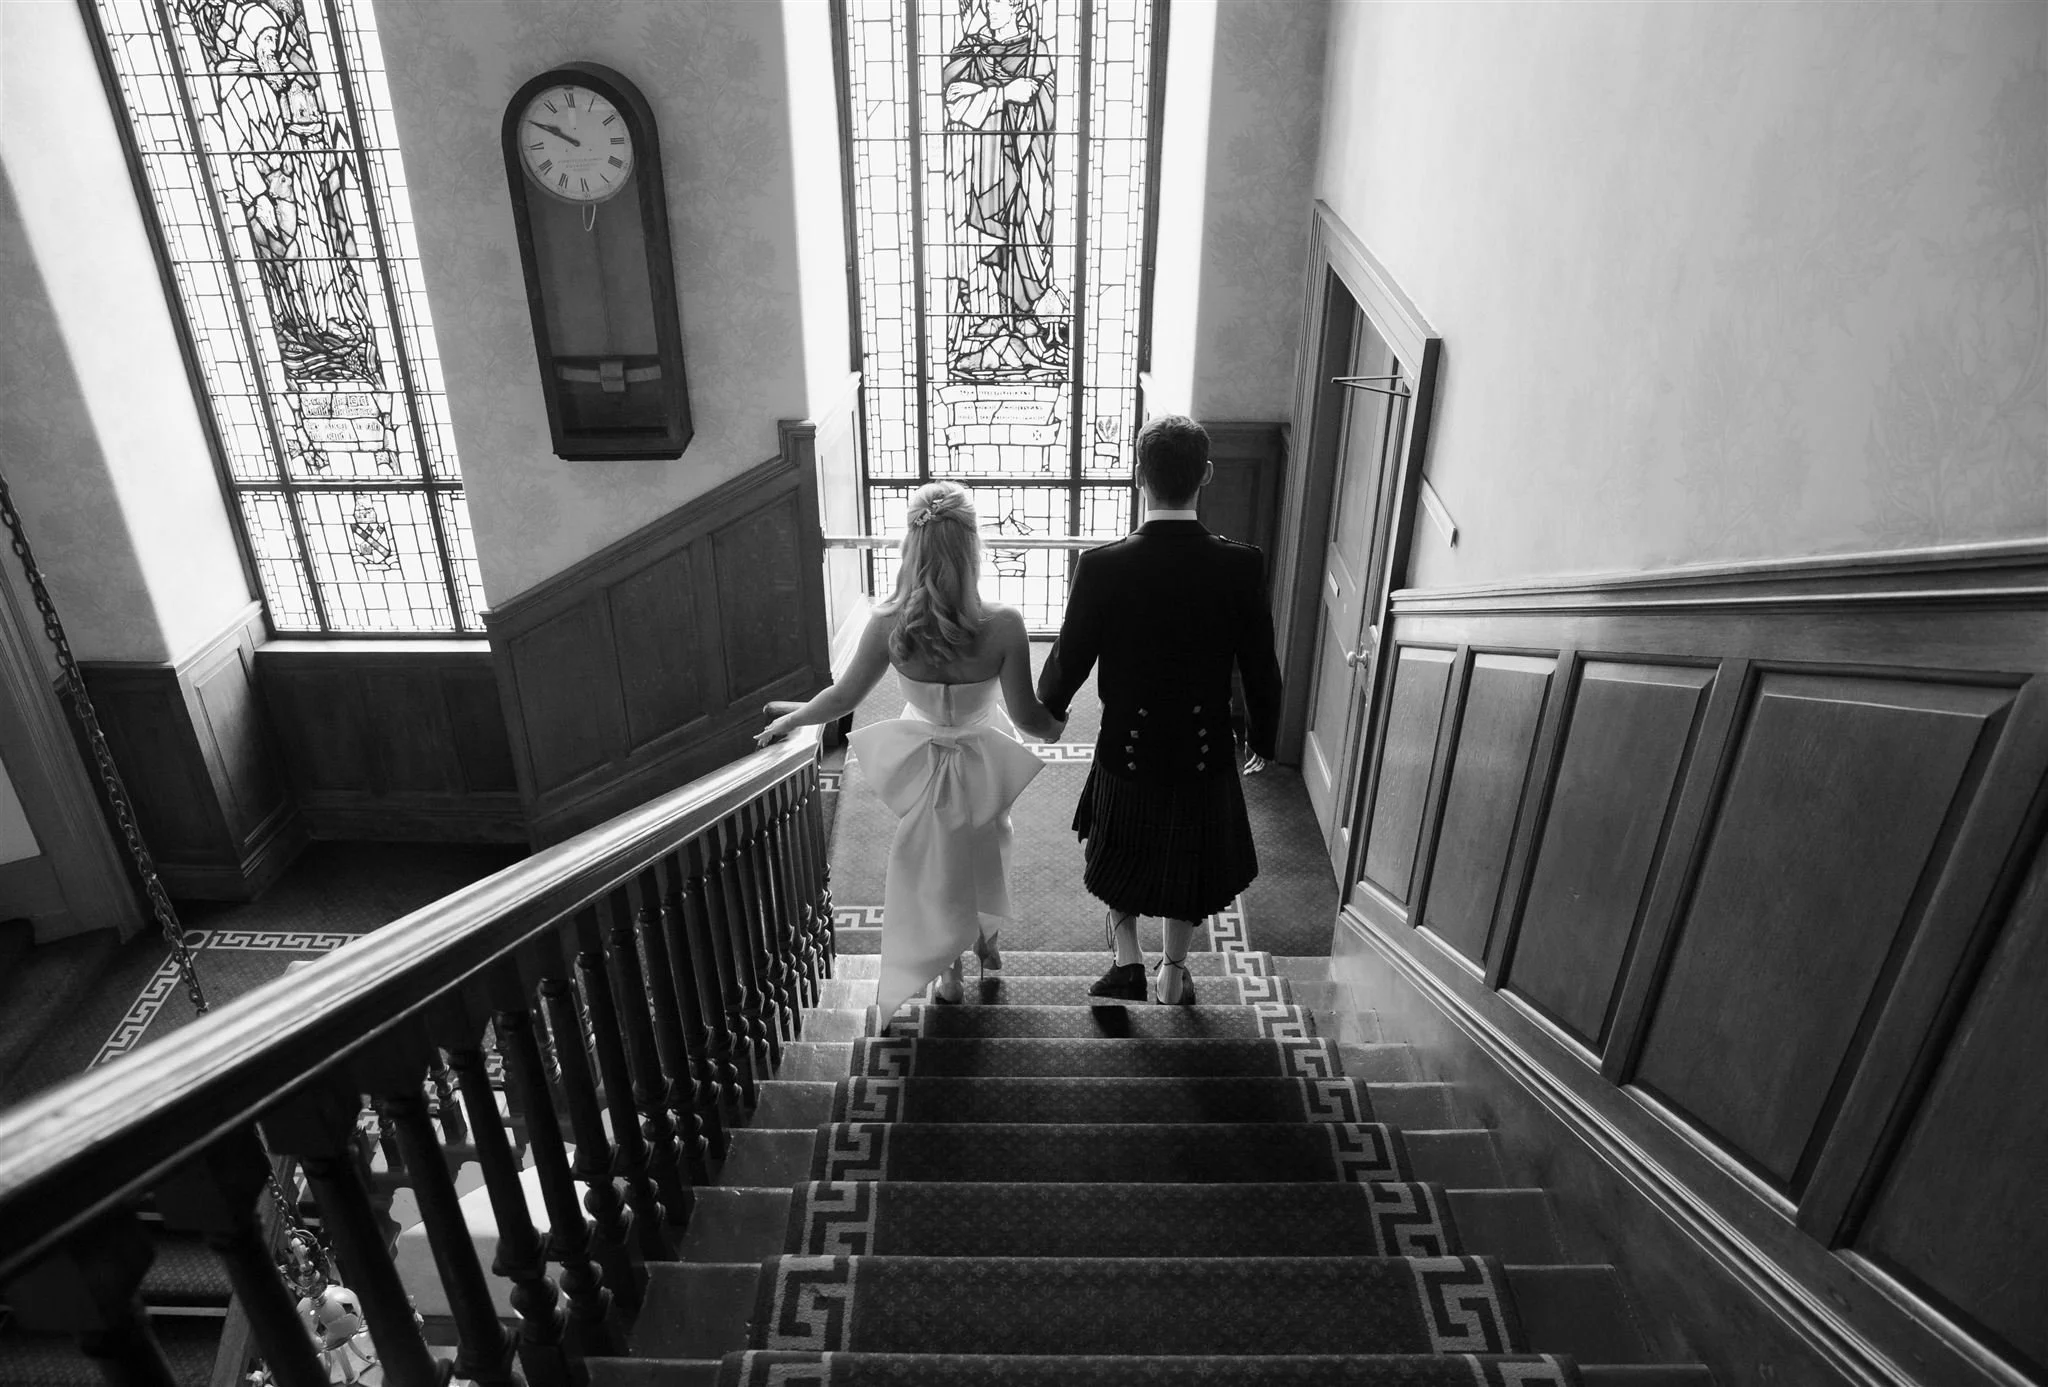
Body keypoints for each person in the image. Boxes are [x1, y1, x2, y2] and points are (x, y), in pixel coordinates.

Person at [759, 482, 1065, 1016]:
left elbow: (843, 697)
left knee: (932, 858)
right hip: (983, 756)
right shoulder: (1003, 624)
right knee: (990, 841)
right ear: (972, 549)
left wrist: (797, 720)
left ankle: (947, 969)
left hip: (917, 756)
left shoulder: (887, 621)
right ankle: (984, 936)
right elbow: (1026, 717)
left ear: (912, 546)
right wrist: (1055, 727)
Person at [1037, 415, 1283, 1005]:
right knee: (1188, 864)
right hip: (1204, 751)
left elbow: (1067, 660)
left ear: (1138, 475)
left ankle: (1127, 960)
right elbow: (1260, 665)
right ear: (1207, 474)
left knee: (1121, 852)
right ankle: (1173, 974)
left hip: (1127, 746)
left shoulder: (1103, 565)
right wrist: (1264, 740)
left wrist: (1048, 708)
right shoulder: (1240, 564)